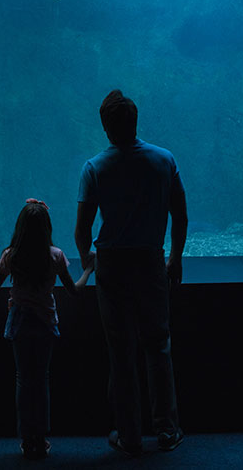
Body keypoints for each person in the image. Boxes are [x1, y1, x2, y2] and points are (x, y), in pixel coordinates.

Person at [74, 90, 188, 456]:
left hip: (112, 265)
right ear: (135, 122)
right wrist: (176, 257)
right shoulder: (163, 160)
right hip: (151, 261)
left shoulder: (94, 167)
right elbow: (180, 215)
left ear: (106, 127)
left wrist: (87, 257)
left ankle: (129, 435)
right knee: (159, 345)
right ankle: (167, 430)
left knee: (120, 351)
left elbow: (82, 229)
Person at [0, 199, 93, 460]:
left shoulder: (10, 255)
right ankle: (41, 438)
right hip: (45, 321)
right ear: (47, 228)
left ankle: (26, 438)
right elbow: (75, 291)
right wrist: (89, 269)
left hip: (20, 321)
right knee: (41, 379)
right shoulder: (55, 255)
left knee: (23, 378)